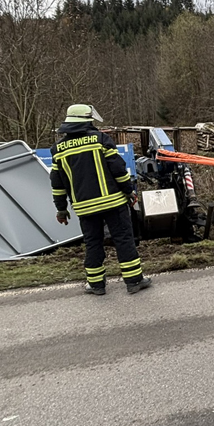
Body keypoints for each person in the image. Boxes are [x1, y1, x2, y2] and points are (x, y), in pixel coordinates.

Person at [50, 103, 152, 296]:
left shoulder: (58, 149)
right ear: (87, 120)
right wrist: (129, 191)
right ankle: (134, 281)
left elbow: (57, 184)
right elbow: (118, 170)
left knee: (93, 243)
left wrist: (61, 209)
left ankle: (96, 284)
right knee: (123, 239)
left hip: (84, 208)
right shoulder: (100, 140)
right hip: (113, 202)